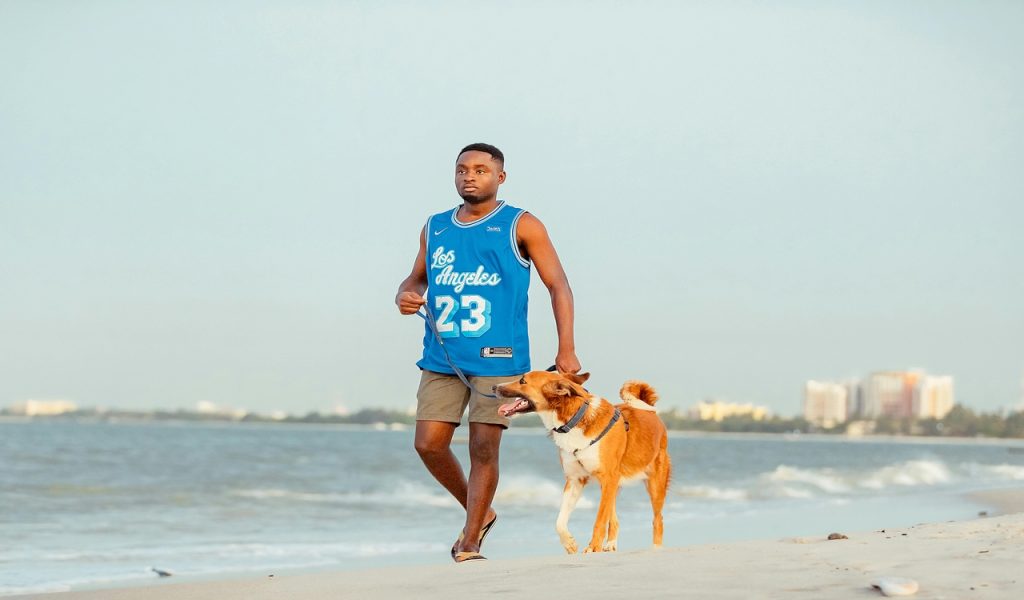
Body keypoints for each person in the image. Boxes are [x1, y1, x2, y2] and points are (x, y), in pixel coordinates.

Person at [395, 143, 580, 562]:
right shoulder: (435, 226)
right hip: (442, 355)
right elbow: (414, 279)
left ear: (500, 177)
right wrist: (406, 294)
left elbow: (559, 285)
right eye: (462, 169)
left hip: (500, 359)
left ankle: (471, 538)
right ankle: (482, 512)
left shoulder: (522, 224)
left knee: (483, 448)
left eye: (480, 169)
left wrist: (565, 348)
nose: (469, 176)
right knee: (428, 444)